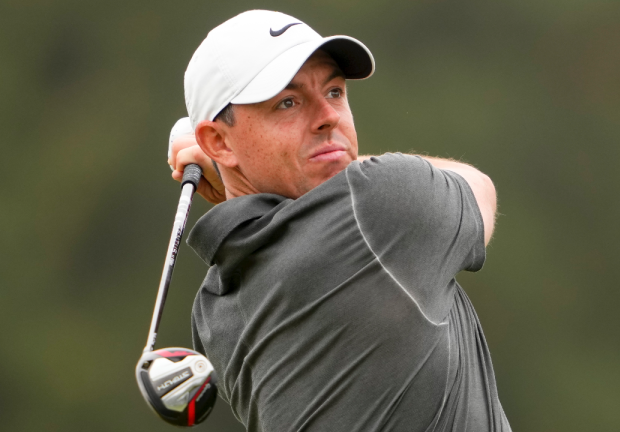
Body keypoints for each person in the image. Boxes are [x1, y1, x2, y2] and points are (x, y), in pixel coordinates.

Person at [168, 10, 510, 432]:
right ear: (217, 141)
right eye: (287, 102)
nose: (327, 116)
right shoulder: (381, 207)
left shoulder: (214, 313)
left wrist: (231, 169)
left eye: (333, 91)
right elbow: (478, 187)